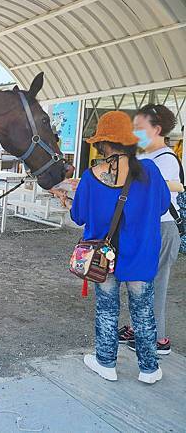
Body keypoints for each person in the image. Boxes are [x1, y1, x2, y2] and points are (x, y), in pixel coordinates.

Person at [69, 111, 170, 384]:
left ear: (103, 144)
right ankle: (149, 369)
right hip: (141, 255)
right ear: (129, 141)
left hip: (104, 259)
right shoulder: (149, 170)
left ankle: (106, 364)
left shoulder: (91, 176)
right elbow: (161, 206)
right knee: (143, 311)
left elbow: (78, 216)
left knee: (106, 309)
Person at [117, 104, 181, 355]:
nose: (136, 133)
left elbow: (175, 187)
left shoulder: (166, 159)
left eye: (140, 128)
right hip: (145, 229)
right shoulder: (144, 158)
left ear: (157, 129)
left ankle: (158, 339)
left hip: (162, 229)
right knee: (139, 281)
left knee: (156, 283)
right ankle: (138, 326)